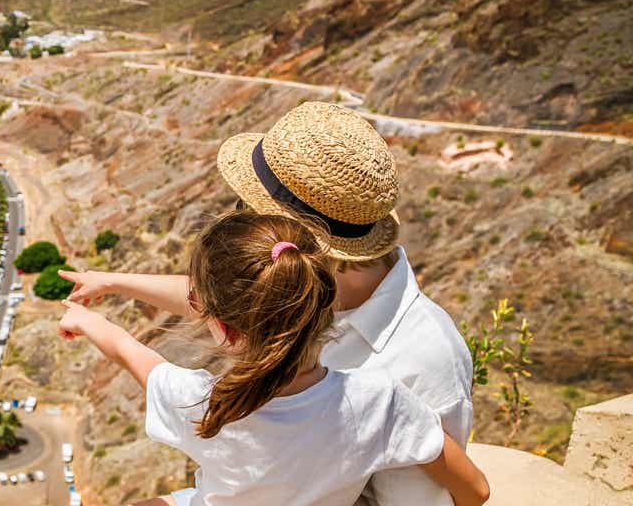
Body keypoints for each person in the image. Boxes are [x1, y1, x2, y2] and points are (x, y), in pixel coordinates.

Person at [63, 101, 473, 505]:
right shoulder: (313, 306)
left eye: (249, 211)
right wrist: (114, 282)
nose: (240, 219)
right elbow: (225, 304)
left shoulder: (426, 358)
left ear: (294, 239)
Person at [57, 211, 488, 506]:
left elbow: (128, 351)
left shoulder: (201, 403)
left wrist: (89, 320)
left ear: (223, 328)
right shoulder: (381, 401)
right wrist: (113, 283)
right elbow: (475, 491)